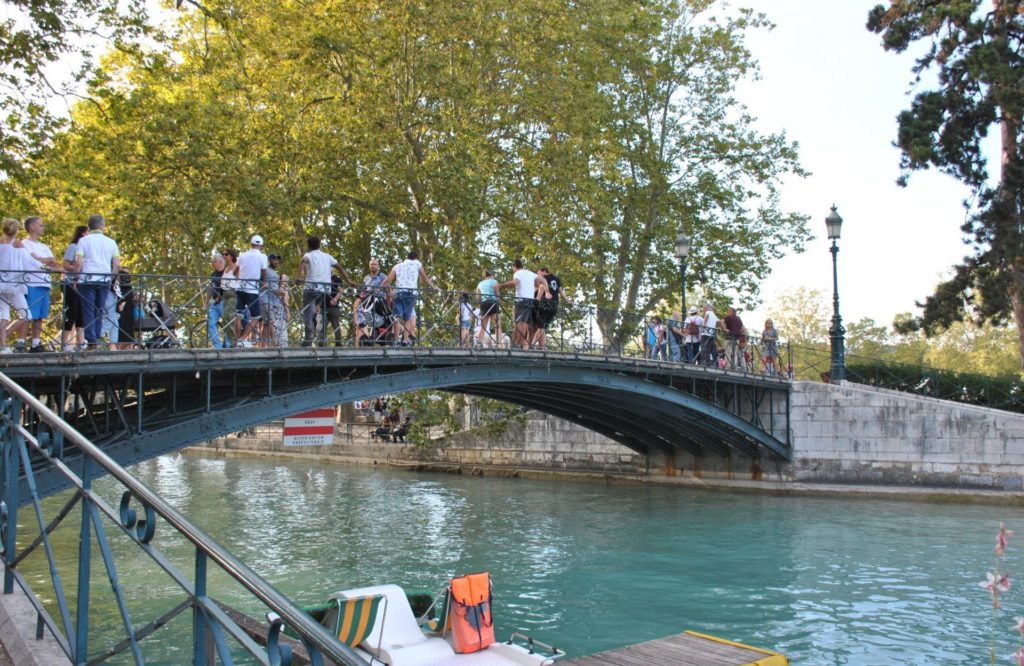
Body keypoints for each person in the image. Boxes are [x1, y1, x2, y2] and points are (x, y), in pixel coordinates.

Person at [74, 214, 121, 350]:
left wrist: (76, 278)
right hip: (104, 279)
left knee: (88, 310)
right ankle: (97, 337)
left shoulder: (83, 241)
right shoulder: (111, 242)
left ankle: (92, 341)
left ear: (89, 226)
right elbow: (116, 265)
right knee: (99, 310)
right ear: (102, 225)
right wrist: (110, 279)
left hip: (87, 279)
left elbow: (79, 262)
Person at [297, 237, 353, 346]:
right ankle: (323, 341)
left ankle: (309, 340)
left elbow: (303, 261)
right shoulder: (327, 257)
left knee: (308, 315)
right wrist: (349, 281)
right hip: (325, 290)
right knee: (323, 313)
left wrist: (299, 277)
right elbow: (340, 268)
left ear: (309, 246)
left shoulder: (309, 255)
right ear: (319, 245)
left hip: (311, 288)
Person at [379, 250, 437, 345]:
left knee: (397, 317)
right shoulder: (417, 263)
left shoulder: (397, 266)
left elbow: (388, 279)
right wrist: (434, 287)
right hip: (410, 294)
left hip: (398, 293)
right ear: (416, 258)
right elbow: (425, 278)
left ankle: (396, 340)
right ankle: (405, 340)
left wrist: (379, 288)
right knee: (408, 318)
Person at [20, 217, 59, 352]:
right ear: (31, 227)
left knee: (41, 315)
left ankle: (36, 343)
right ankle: (21, 342)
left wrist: (42, 259)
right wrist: (44, 261)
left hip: (44, 283)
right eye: (40, 225)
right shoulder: (24, 243)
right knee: (28, 313)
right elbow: (31, 259)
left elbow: (53, 261)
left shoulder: (43, 246)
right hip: (32, 282)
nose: (43, 227)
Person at [0, 219, 30, 353]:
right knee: (26, 314)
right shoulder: (18, 245)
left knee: (4, 314)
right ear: (17, 230)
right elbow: (29, 261)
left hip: (2, 283)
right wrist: (45, 267)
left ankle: (3, 344)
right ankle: (3, 343)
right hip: (15, 284)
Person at [234, 235, 267, 347]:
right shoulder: (262, 257)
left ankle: (238, 341)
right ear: (261, 245)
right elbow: (263, 273)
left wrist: (241, 280)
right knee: (256, 317)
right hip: (251, 290)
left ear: (251, 244)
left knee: (238, 315)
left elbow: (235, 272)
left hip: (239, 288)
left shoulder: (242, 256)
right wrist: (264, 282)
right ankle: (242, 339)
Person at [60, 225, 87, 351]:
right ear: (82, 233)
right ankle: (65, 342)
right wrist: (77, 269)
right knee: (71, 312)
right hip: (71, 283)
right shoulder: (73, 247)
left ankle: (80, 342)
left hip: (82, 284)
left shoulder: (86, 248)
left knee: (81, 313)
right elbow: (65, 264)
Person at [501, 259, 538, 349]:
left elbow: (515, 282)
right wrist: (544, 290)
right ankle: (522, 342)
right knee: (525, 323)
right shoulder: (530, 273)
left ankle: (517, 342)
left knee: (517, 322)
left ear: (514, 267)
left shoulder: (517, 273)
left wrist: (501, 285)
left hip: (520, 301)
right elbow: (542, 281)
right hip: (530, 301)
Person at [534, 267, 572, 350]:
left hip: (545, 305)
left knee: (541, 326)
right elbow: (561, 292)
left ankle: (533, 345)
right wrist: (567, 300)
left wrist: (537, 299)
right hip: (554, 306)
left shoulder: (544, 278)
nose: (538, 275)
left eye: (538, 273)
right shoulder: (557, 278)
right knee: (543, 327)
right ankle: (540, 346)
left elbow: (541, 288)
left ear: (543, 272)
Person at [354, 258, 386, 346]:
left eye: (375, 264)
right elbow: (364, 291)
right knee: (357, 301)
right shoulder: (366, 278)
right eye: (371, 264)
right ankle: (357, 320)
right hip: (367, 299)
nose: (373, 266)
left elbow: (388, 289)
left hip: (378, 300)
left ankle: (361, 322)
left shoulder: (382, 276)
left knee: (362, 303)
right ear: (369, 266)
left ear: (378, 266)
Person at [264, 253, 289, 347]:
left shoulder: (275, 272)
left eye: (277, 260)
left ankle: (263, 344)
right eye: (274, 259)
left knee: (267, 323)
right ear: (269, 260)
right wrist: (277, 291)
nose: (276, 261)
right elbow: (264, 284)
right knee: (270, 321)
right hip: (266, 299)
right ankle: (275, 343)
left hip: (274, 301)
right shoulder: (265, 270)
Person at [475, 268, 501, 347]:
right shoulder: (494, 282)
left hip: (484, 304)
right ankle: (498, 343)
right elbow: (497, 295)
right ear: (492, 275)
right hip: (493, 303)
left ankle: (478, 342)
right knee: (497, 324)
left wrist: (481, 302)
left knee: (484, 325)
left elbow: (477, 297)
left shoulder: (480, 284)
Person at [207, 253, 226, 348]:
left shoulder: (227, 272)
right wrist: (207, 300)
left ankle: (228, 345)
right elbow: (211, 287)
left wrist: (221, 296)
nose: (212, 264)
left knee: (228, 323)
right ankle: (218, 346)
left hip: (224, 301)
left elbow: (228, 286)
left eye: (214, 262)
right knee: (210, 322)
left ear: (220, 262)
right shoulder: (214, 274)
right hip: (214, 302)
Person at [116, 270, 136, 349]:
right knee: (127, 328)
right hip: (128, 311)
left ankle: (120, 347)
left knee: (121, 328)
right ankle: (128, 346)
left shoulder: (121, 287)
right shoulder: (129, 288)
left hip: (123, 311)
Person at [722, 306, 745, 370]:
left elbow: (721, 321)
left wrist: (725, 329)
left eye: (728, 311)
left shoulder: (728, 317)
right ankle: (735, 367)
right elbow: (742, 329)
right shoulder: (738, 319)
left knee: (728, 352)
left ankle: (727, 367)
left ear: (731, 312)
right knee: (735, 353)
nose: (728, 312)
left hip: (729, 337)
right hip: (737, 338)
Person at [700, 302, 719, 367]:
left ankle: (704, 362)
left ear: (706, 308)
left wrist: (704, 326)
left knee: (704, 348)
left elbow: (706, 318)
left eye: (704, 308)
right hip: (712, 334)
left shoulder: (707, 313)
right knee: (710, 349)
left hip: (705, 333)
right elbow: (719, 321)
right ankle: (713, 363)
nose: (703, 310)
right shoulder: (714, 314)